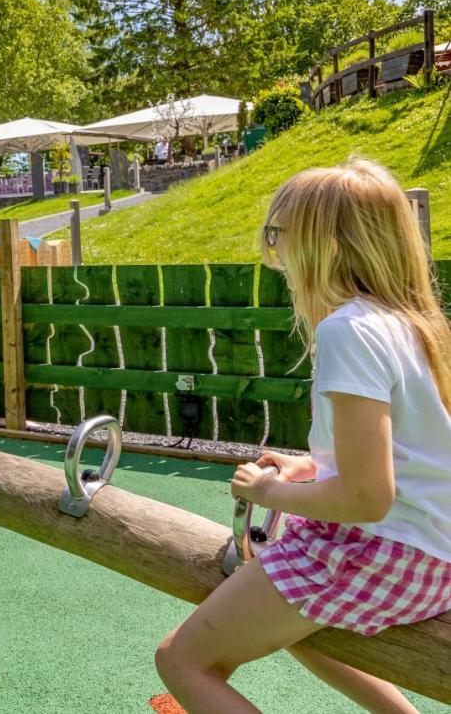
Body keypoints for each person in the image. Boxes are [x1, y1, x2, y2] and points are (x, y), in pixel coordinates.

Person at [155, 157, 451, 712]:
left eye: (278, 237)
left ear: (327, 246)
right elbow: (412, 456)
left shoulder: (348, 330)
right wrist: (311, 469)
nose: (276, 255)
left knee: (181, 660)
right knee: (295, 627)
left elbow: (368, 497)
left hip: (377, 551)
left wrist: (270, 494)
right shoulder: (409, 322)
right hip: (431, 553)